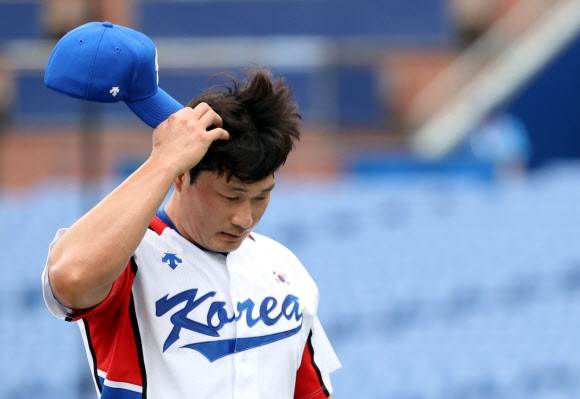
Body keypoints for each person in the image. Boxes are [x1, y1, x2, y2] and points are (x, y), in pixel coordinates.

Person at [41, 22, 341, 398]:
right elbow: (70, 279)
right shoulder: (132, 256)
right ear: (182, 176)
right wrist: (162, 162)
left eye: (262, 196)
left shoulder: (284, 268)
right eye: (230, 197)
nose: (244, 218)